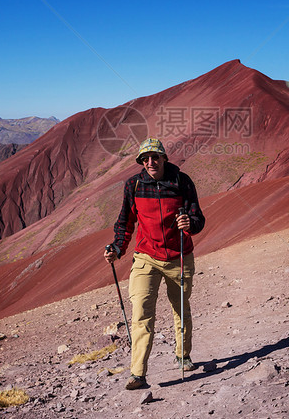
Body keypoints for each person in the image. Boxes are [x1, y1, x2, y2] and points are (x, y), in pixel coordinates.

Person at [104, 138, 205, 390]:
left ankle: (183, 355)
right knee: (141, 314)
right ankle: (137, 374)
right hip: (145, 257)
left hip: (178, 256)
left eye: (155, 157)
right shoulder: (134, 185)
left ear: (164, 158)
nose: (151, 162)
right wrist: (117, 248)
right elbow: (125, 222)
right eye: (145, 158)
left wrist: (189, 224)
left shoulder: (182, 182)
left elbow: (198, 217)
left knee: (180, 308)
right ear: (141, 161)